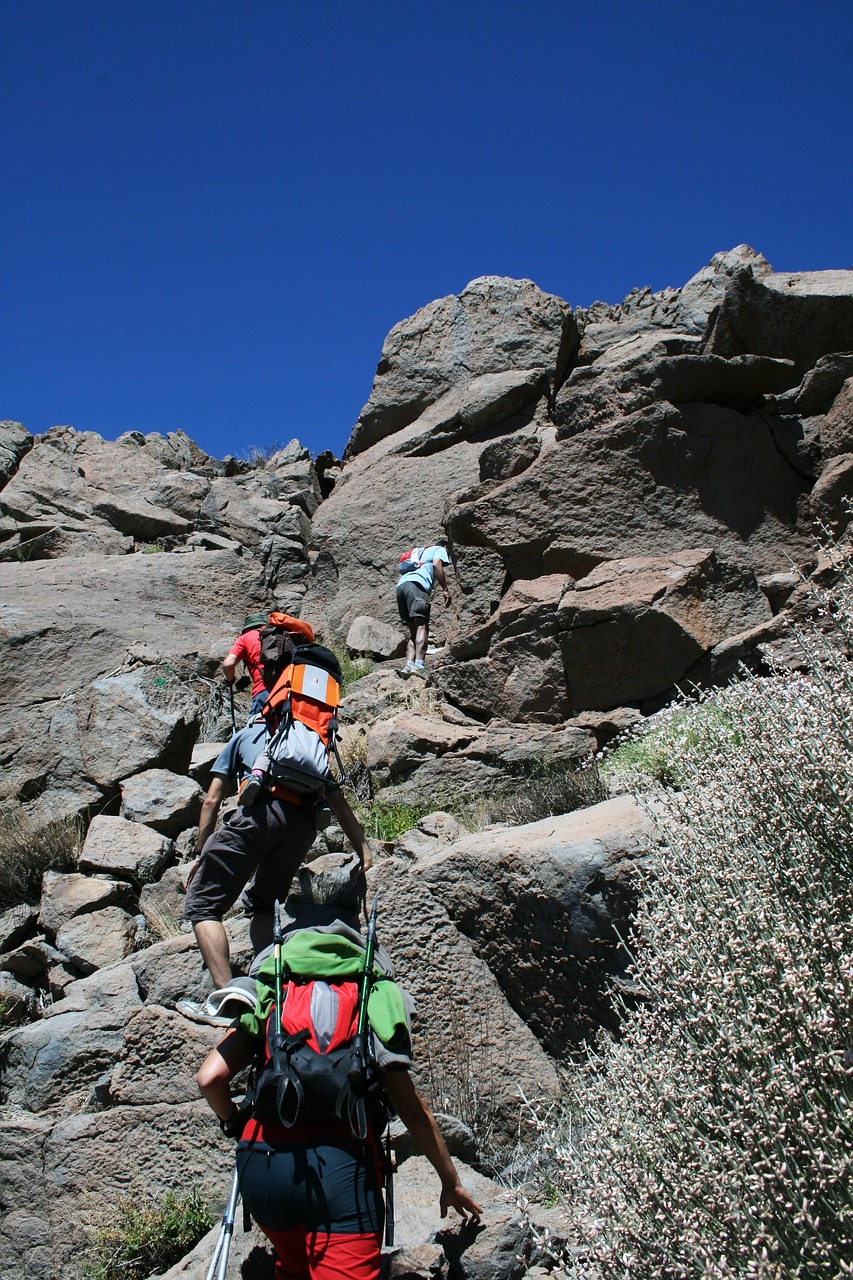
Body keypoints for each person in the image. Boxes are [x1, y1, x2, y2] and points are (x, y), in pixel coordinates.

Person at [196, 873, 482, 1279]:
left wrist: (234, 1122)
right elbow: (411, 1110)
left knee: (294, 1268)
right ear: (355, 925)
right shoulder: (374, 990)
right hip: (344, 1166)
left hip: (265, 1165)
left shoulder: (270, 985)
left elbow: (209, 1078)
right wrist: (450, 1180)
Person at [178, 720, 372, 1023]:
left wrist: (202, 853)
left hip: (257, 816)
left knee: (203, 905)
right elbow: (337, 801)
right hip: (300, 829)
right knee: (264, 904)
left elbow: (212, 800)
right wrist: (364, 850)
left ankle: (229, 1003)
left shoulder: (246, 734)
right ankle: (269, 990)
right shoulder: (308, 741)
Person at [396, 539, 452, 677]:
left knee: (413, 631)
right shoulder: (439, 549)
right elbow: (437, 564)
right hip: (417, 587)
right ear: (445, 546)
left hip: (401, 587)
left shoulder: (421, 552)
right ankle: (419, 665)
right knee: (422, 627)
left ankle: (408, 666)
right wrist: (445, 589)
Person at [222, 612, 270, 716]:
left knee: (256, 729)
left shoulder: (244, 638)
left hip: (264, 689)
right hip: (293, 688)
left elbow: (228, 664)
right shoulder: (279, 634)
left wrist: (230, 679)